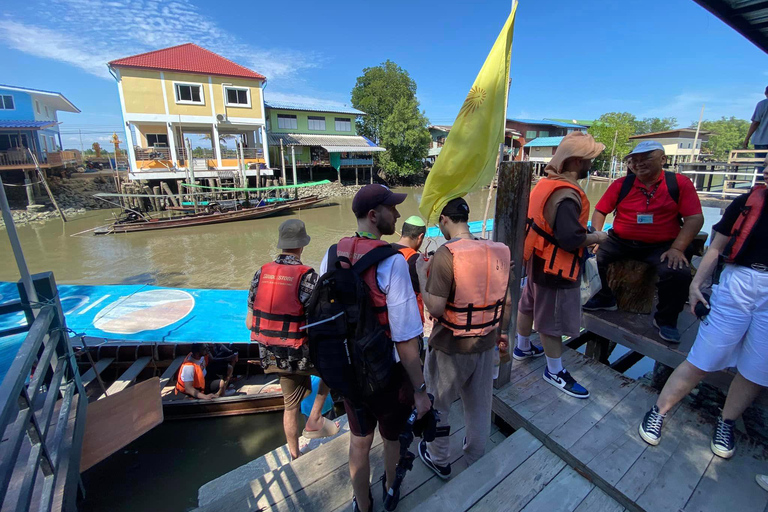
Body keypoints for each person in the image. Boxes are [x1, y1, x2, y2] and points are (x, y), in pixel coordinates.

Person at [639, 171, 768, 459]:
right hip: (741, 282)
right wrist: (697, 284)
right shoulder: (747, 203)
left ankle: (727, 421)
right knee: (704, 356)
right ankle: (659, 410)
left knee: (757, 368)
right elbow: (717, 246)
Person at [318, 184, 429, 512]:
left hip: (350, 370)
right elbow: (407, 339)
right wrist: (421, 390)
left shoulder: (330, 254)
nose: (396, 214)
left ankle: (362, 504)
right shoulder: (393, 262)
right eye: (391, 209)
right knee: (391, 436)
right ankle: (391, 489)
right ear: (373, 215)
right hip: (388, 374)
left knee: (359, 440)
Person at [415, 197, 511, 479]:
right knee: (480, 405)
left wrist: (422, 274)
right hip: (485, 342)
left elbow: (434, 307)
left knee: (439, 405)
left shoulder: (447, 253)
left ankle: (439, 459)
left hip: (450, 347)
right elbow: (506, 303)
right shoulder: (496, 250)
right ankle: (475, 457)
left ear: (445, 220)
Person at [584, 141, 704, 342]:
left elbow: (695, 218)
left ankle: (665, 319)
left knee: (678, 272)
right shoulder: (621, 185)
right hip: (621, 240)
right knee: (592, 256)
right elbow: (600, 210)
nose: (638, 164)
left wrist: (677, 248)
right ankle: (605, 296)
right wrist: (596, 235)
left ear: (663, 159)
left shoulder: (679, 183)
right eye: (633, 160)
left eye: (645, 158)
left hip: (662, 244)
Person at [517, 132, 608, 399]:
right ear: (577, 161)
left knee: (528, 304)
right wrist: (598, 236)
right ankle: (554, 370)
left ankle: (522, 347)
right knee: (551, 322)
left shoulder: (546, 184)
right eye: (590, 159)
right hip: (555, 269)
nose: (592, 163)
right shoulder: (567, 194)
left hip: (536, 259)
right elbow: (570, 239)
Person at [246, 219, 339, 460]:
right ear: (302, 246)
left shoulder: (260, 273)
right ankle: (316, 418)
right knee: (333, 369)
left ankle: (295, 455)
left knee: (290, 406)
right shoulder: (308, 277)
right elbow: (321, 324)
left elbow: (249, 323)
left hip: (273, 354)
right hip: (302, 352)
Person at [392, 215, 427, 322]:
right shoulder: (415, 259)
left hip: (390, 314)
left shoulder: (385, 249)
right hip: (411, 318)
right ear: (420, 237)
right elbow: (426, 290)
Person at [744, 85, 768, 174]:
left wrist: (747, 139)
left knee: (760, 166)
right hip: (761, 141)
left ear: (765, 93)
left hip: (761, 141)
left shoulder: (762, 104)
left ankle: (760, 185)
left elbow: (755, 122)